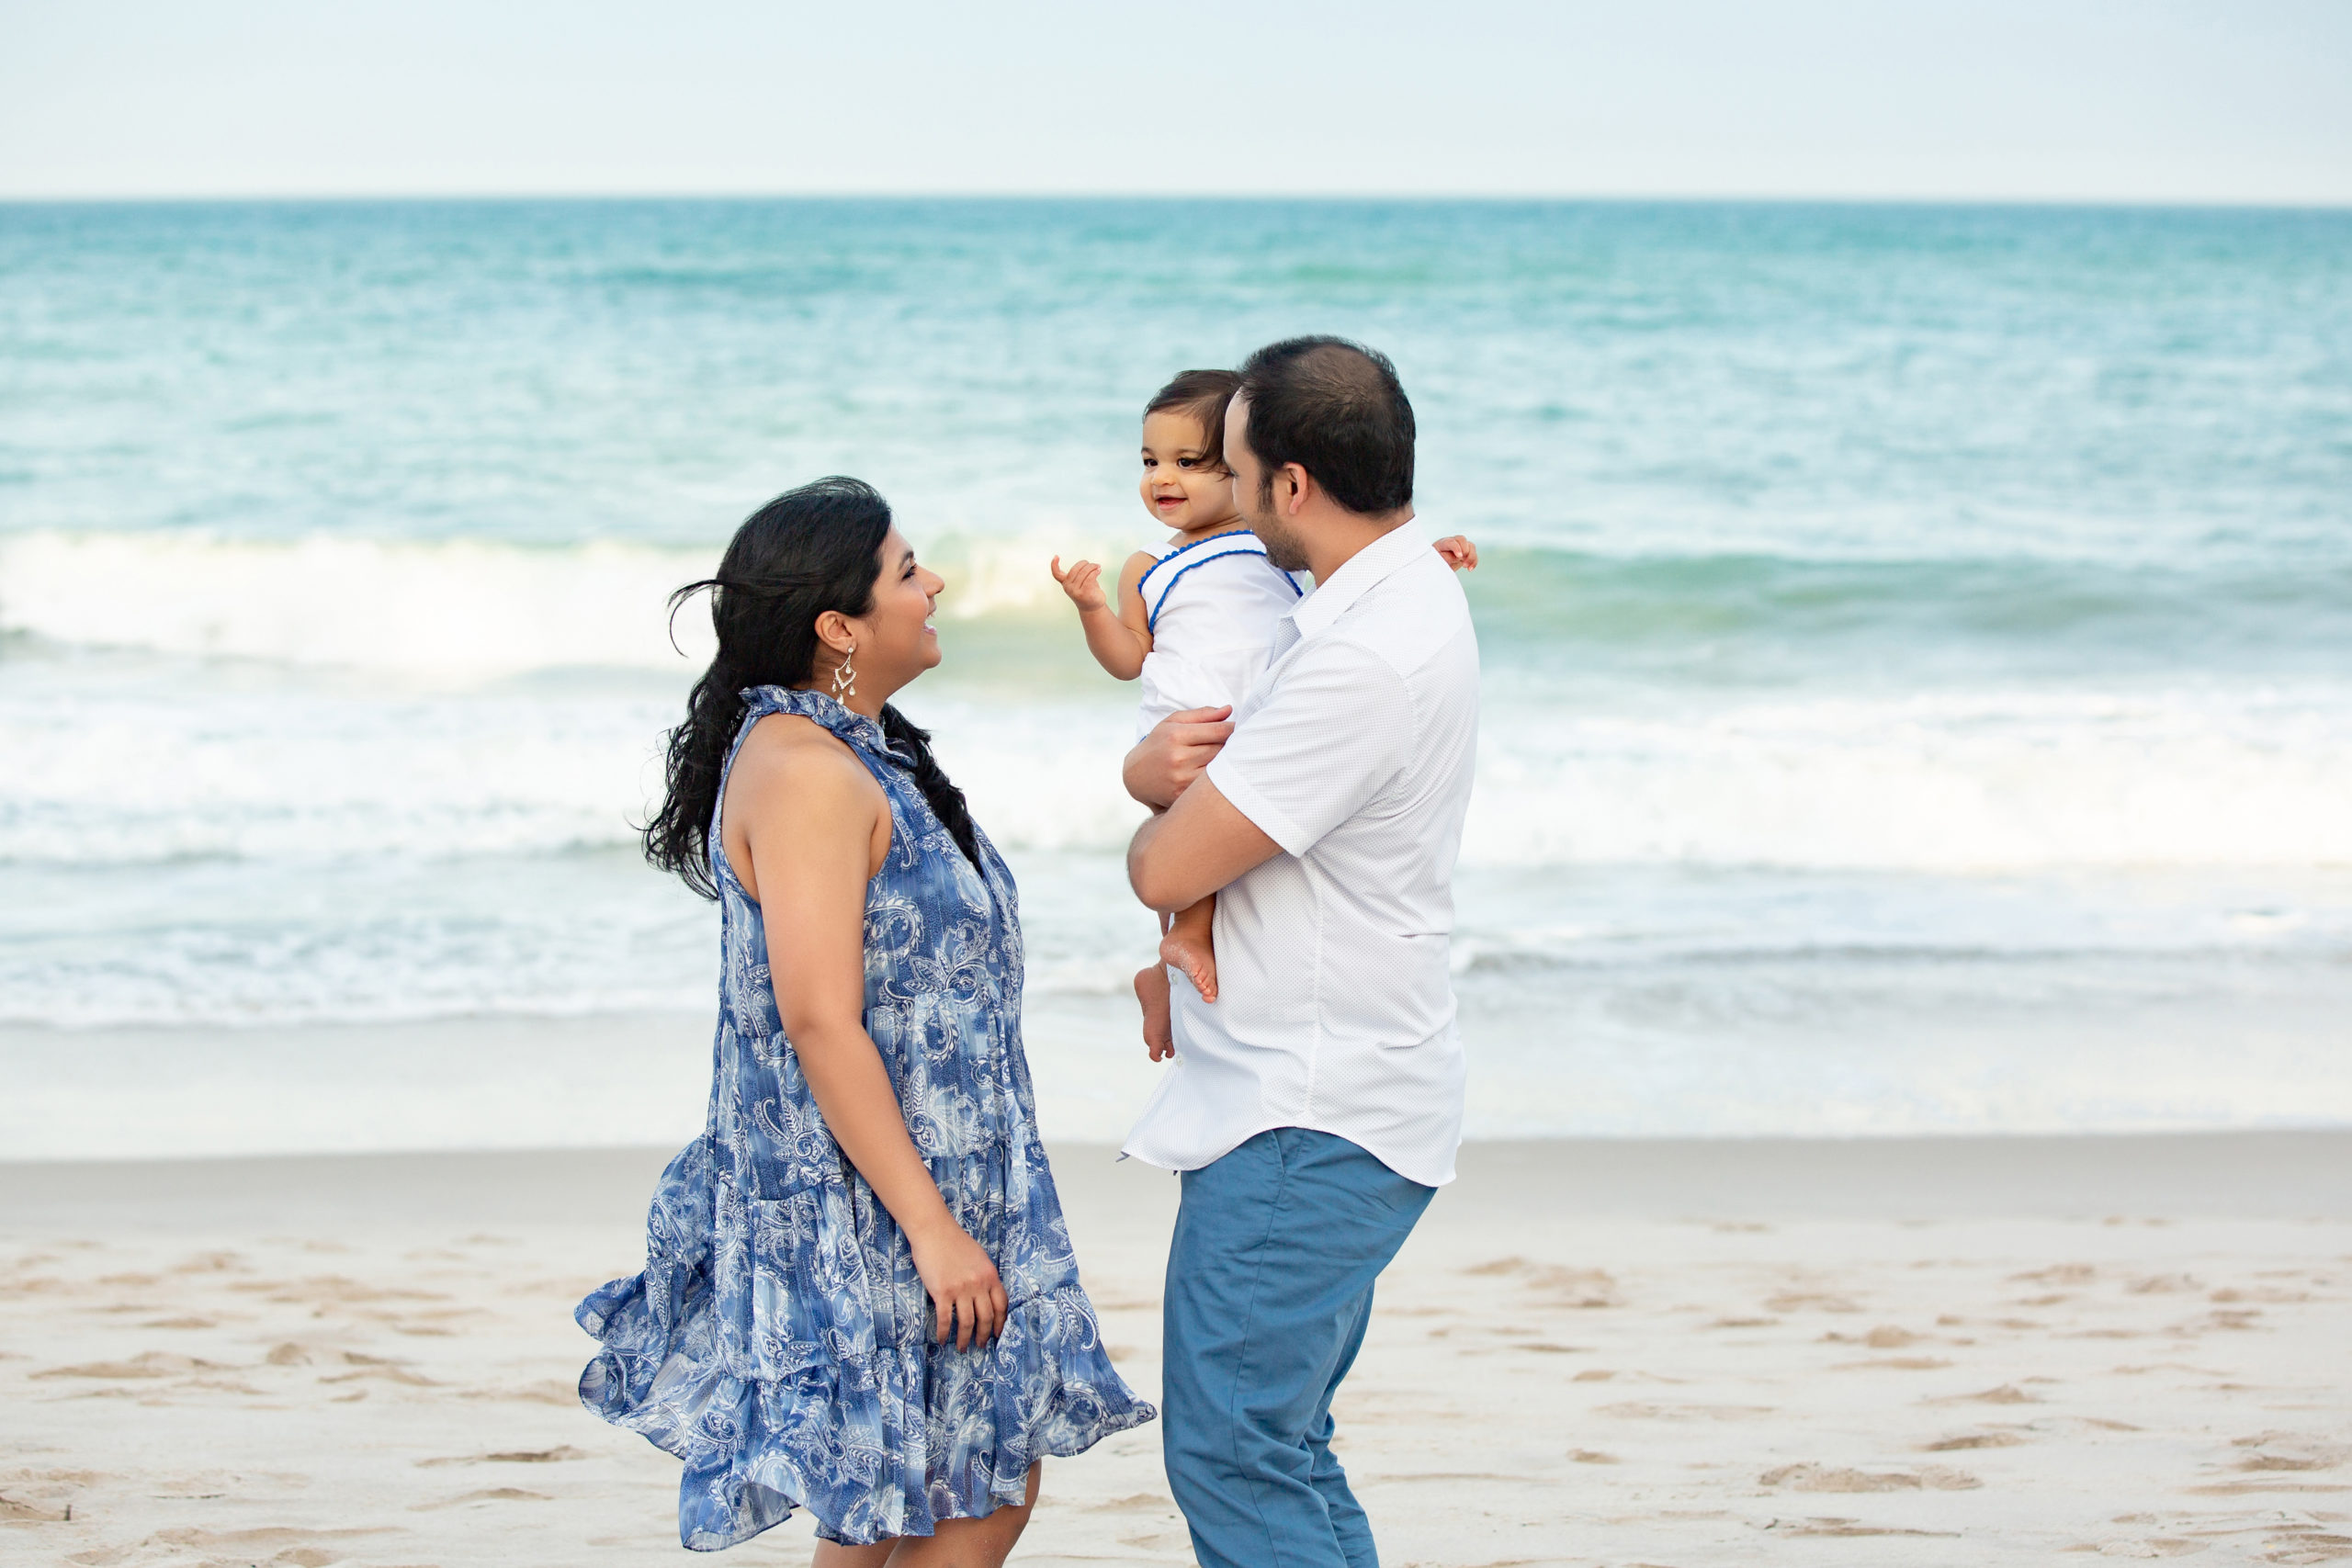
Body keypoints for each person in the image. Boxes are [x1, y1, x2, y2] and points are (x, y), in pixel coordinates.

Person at [576, 478, 1154, 1561]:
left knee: (911, 1494)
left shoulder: (855, 753)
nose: (932, 583)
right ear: (837, 626)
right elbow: (817, 1020)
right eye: (904, 572)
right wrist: (934, 1233)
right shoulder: (805, 772)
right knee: (976, 1492)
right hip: (873, 1199)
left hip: (926, 1174)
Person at [1121, 338, 1480, 1568]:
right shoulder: (1391, 596)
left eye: (1230, 468)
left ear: (1289, 486)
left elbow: (1170, 866)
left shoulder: (1357, 658)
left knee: (1231, 1446)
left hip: (1305, 1113)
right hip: (1335, 1093)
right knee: (1282, 1442)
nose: (1211, 493)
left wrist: (1149, 814)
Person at [1050, 369, 1475, 1061]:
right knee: (1185, 821)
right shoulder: (1146, 567)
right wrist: (1093, 609)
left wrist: (1422, 559)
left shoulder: (1266, 538)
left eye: (1191, 463)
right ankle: (1173, 950)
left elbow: (1351, 577)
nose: (1164, 478)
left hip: (1255, 708)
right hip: (1190, 715)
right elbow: (1129, 657)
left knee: (1202, 843)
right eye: (1150, 461)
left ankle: (1168, 966)